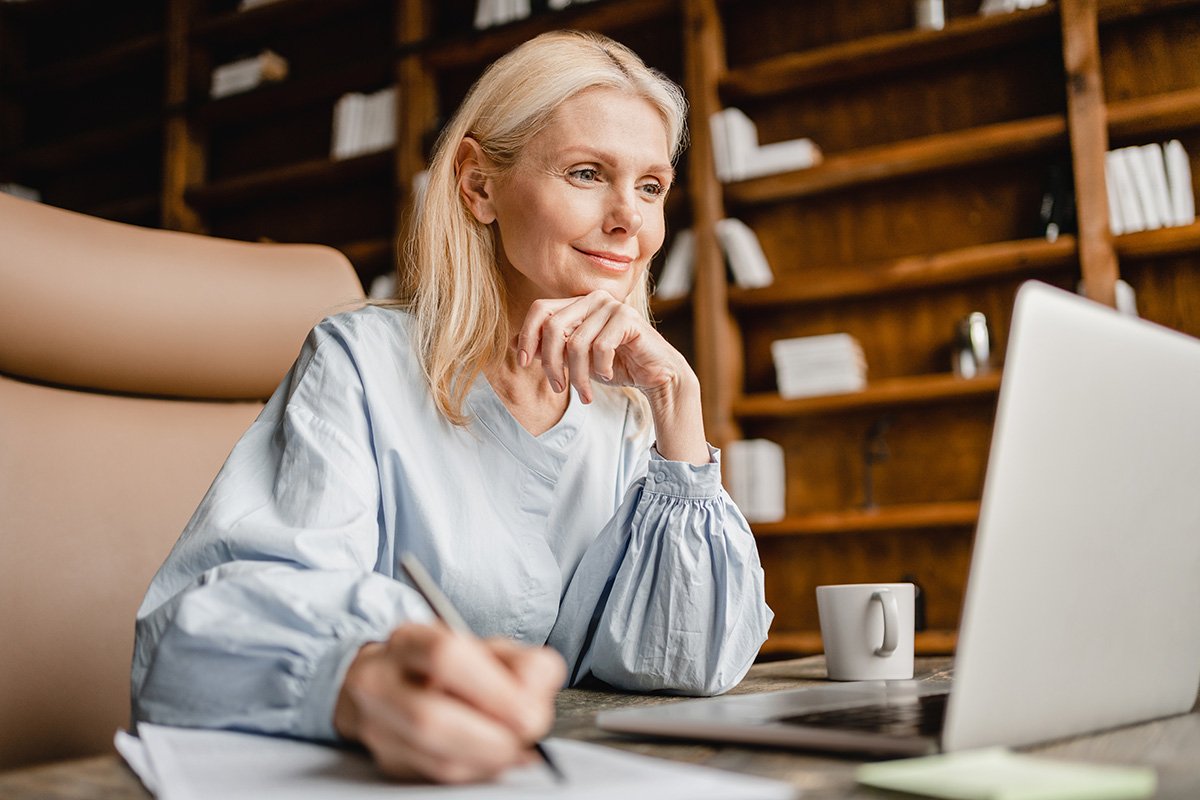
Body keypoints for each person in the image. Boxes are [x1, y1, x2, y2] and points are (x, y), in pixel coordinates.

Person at [131, 29, 772, 784]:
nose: (629, 219)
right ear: (478, 185)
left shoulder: (631, 419)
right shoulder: (362, 364)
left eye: (652, 186)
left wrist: (679, 410)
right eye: (588, 172)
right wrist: (357, 681)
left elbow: (685, 664)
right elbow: (192, 641)